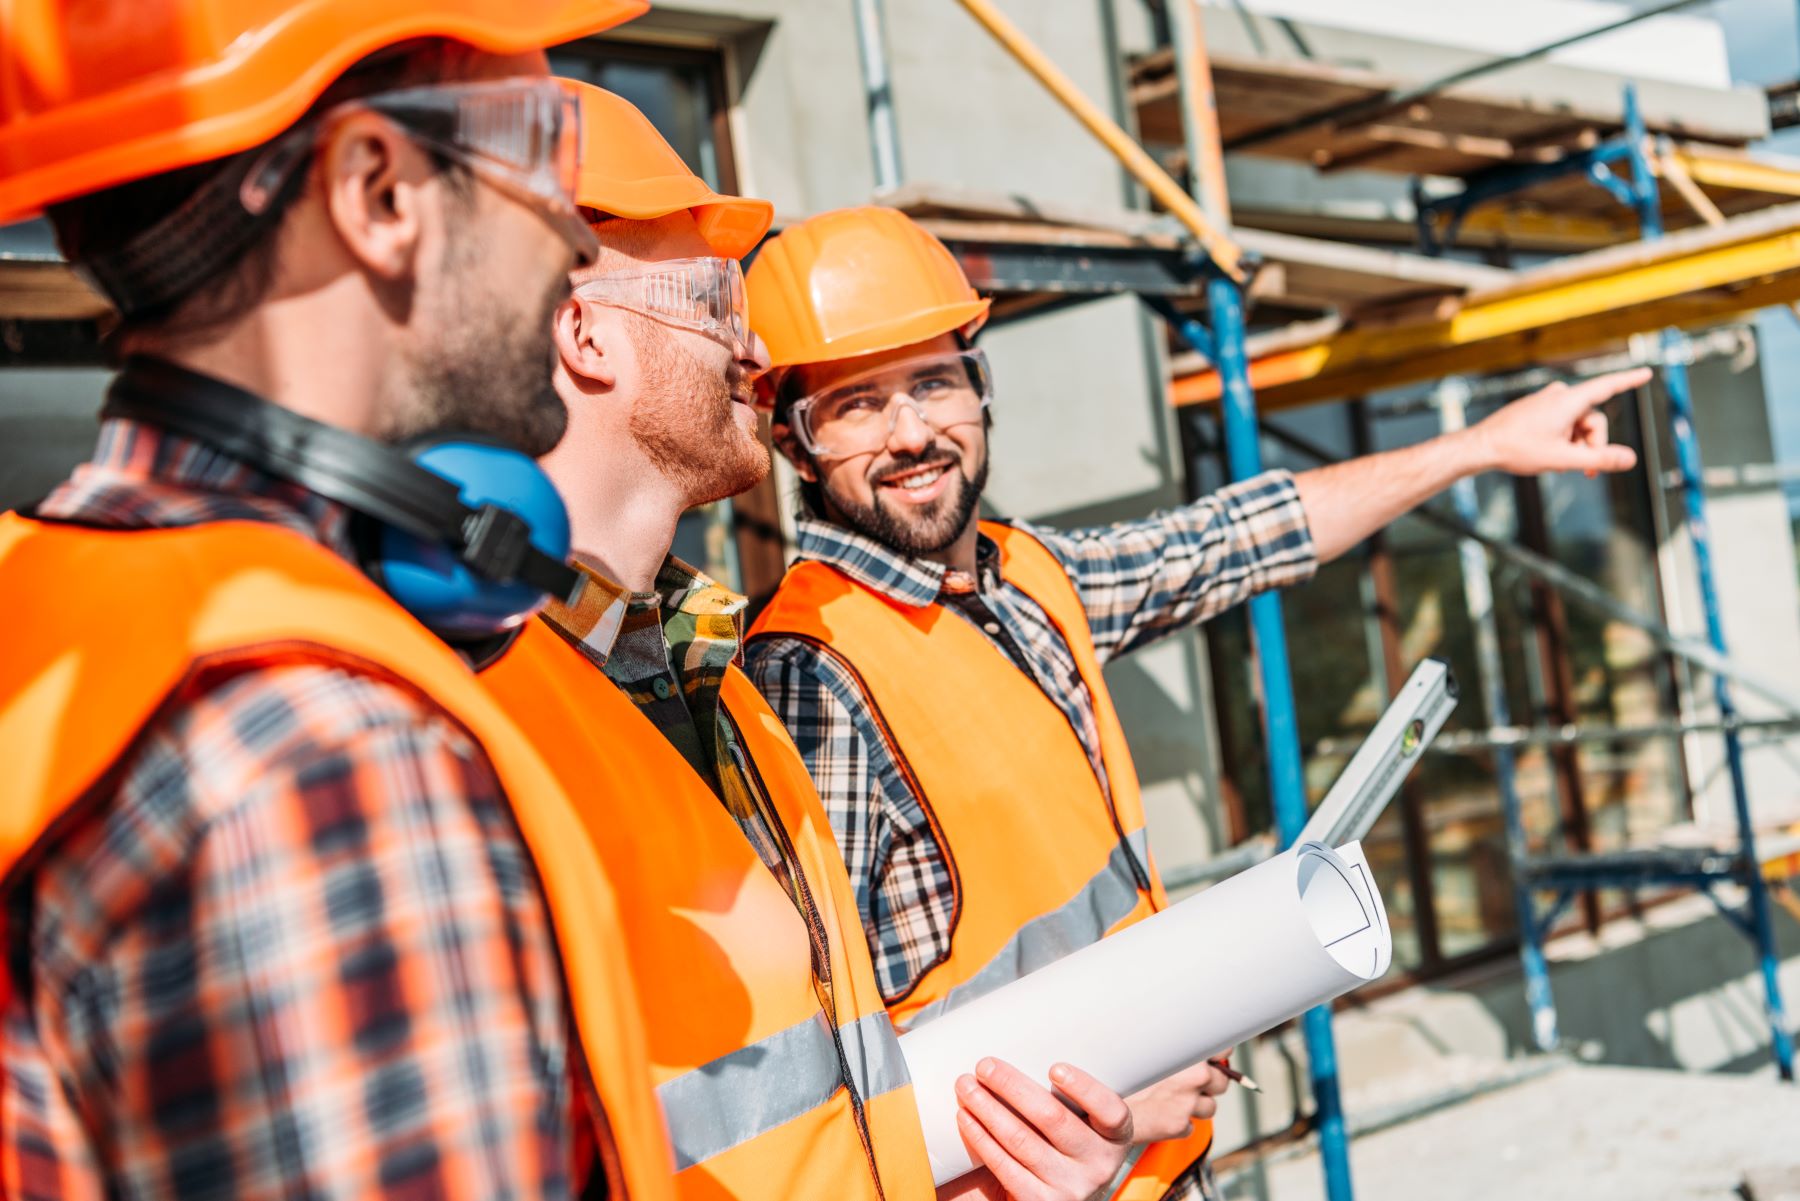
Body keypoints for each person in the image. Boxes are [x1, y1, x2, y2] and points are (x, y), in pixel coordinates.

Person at [742, 205, 1648, 1200]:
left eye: (932, 383)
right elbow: (838, 1077)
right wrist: (1115, 1099)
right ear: (794, 442)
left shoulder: (1028, 579)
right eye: (856, 404)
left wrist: (1475, 447)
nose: (913, 431)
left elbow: (1237, 537)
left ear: (979, 384)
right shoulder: (807, 674)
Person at [0, 6, 683, 1198]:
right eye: (546, 149)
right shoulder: (319, 756)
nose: (573, 234)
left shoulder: (51, 603)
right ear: (379, 190)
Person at [480, 85, 1138, 1201]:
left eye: (935, 380)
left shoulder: (707, 682)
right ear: (581, 331)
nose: (751, 341)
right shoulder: (478, 717)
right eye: (712, 294)